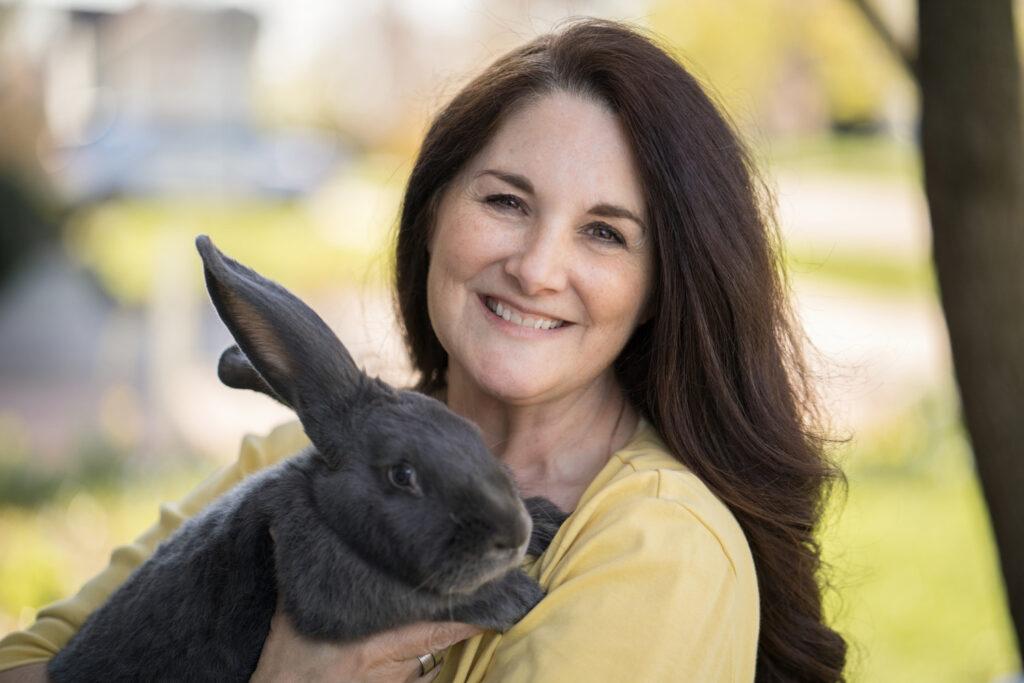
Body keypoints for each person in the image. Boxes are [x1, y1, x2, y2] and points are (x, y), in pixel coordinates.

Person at [0, 18, 847, 682]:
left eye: (604, 233)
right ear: (435, 210)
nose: (537, 267)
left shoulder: (657, 550)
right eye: (507, 202)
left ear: (662, 285)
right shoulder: (300, 455)